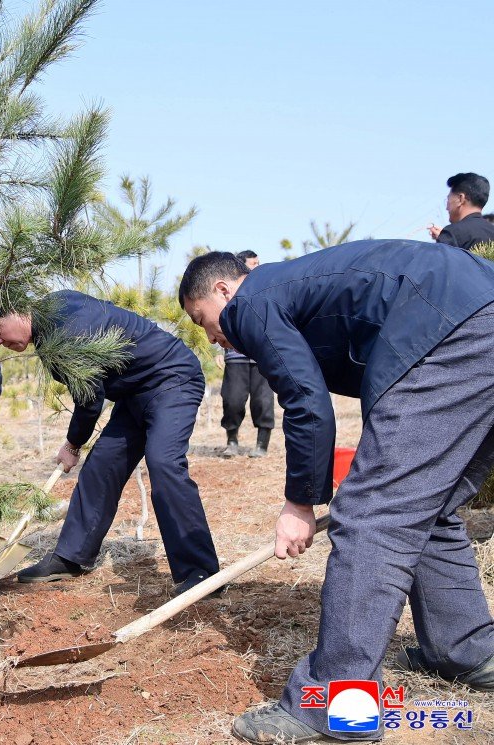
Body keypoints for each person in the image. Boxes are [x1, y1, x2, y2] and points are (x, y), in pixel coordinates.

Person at [179, 242, 494, 743]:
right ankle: (467, 649)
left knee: (372, 516)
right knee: (425, 506)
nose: (213, 337)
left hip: (453, 327)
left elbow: (307, 402)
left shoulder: (251, 303)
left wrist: (300, 502)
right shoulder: (292, 288)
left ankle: (337, 707)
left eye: (203, 320)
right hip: (477, 316)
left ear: (223, 290)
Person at [0, 290, 220, 594]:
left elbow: (89, 399)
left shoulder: (64, 326)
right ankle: (71, 557)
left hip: (171, 378)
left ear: (18, 312)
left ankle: (201, 572)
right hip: (132, 393)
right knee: (101, 466)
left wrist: (72, 445)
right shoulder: (49, 325)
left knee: (164, 462)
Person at [219, 251, 274, 458]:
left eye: (259, 263)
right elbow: (218, 319)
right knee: (232, 399)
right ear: (241, 266)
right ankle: (232, 441)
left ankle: (262, 444)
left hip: (261, 355)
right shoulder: (228, 292)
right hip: (235, 356)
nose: (258, 267)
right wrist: (218, 349)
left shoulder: (266, 287)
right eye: (253, 263)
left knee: (263, 401)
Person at [427, 172, 494, 250]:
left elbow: (440, 257)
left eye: (448, 200)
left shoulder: (452, 233)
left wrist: (447, 237)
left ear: (460, 199)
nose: (447, 208)